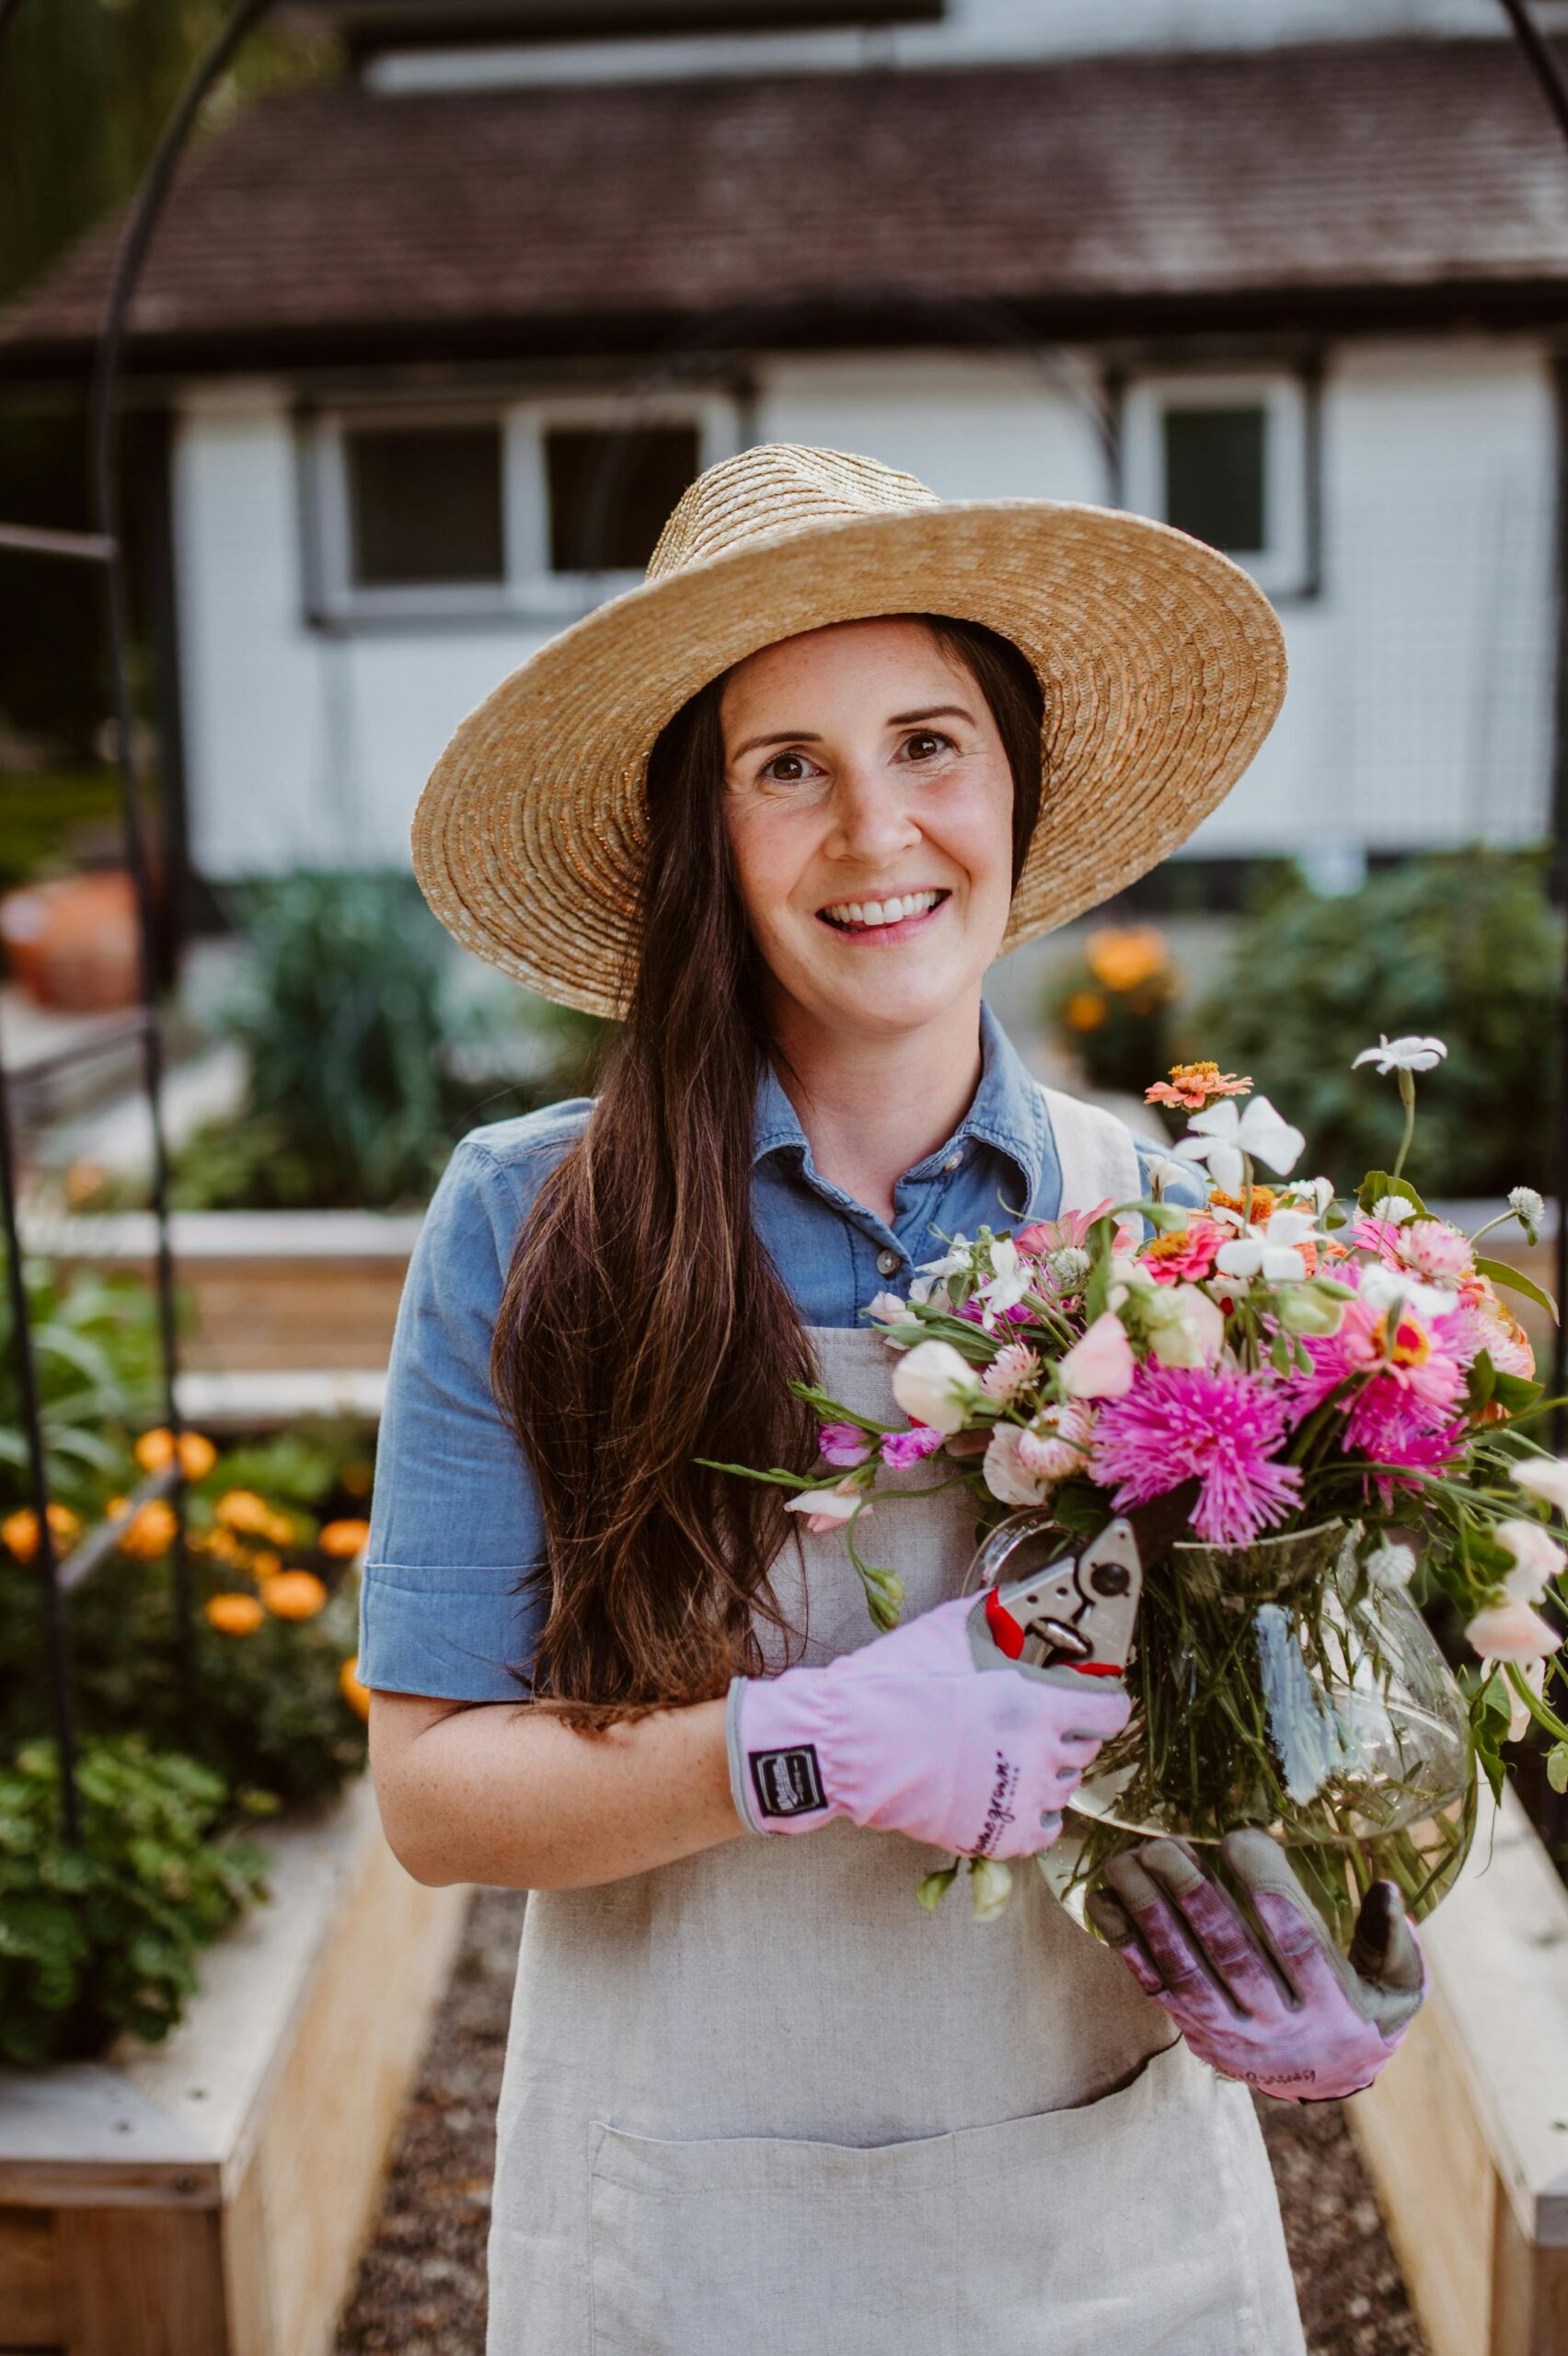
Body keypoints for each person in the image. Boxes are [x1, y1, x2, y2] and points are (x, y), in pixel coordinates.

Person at [363, 445, 1421, 2354]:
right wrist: (806, 1742)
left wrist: (1346, 1936)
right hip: (686, 2244)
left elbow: (1282, 1734)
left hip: (1109, 2235)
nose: (878, 831)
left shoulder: (1179, 1228)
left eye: (929, 742)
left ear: (1015, 779)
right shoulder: (538, 1225)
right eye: (790, 767)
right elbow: (436, 1796)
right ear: (706, 826)